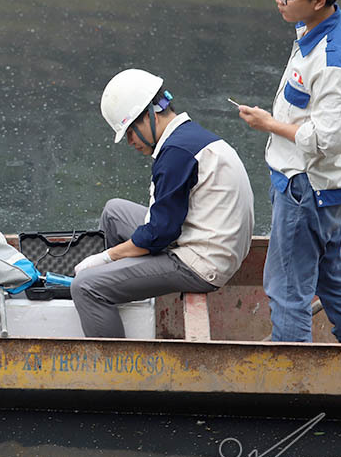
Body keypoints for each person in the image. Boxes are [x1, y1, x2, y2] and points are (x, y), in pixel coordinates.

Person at [238, 0, 341, 343]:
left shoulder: (331, 61)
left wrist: (269, 123)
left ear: (318, 0)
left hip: (308, 188)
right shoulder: (331, 23)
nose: (279, 0)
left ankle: (292, 373)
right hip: (331, 185)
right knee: (329, 275)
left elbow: (330, 139)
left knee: (287, 290)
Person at [71, 69, 254, 338]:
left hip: (201, 264)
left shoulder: (176, 154)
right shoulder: (188, 138)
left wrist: (107, 257)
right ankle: (114, 289)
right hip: (202, 238)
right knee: (114, 212)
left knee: (85, 287)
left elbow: (159, 235)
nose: (130, 142)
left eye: (131, 132)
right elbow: (164, 226)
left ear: (150, 114)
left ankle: (114, 360)